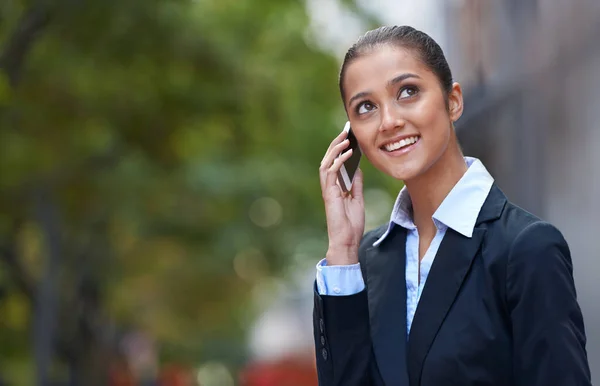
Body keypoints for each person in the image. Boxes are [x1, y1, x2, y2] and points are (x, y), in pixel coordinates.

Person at [313, 25, 592, 386]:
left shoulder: (524, 249)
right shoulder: (363, 263)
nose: (389, 121)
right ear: (351, 135)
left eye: (408, 91)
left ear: (453, 101)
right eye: (366, 107)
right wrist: (343, 247)